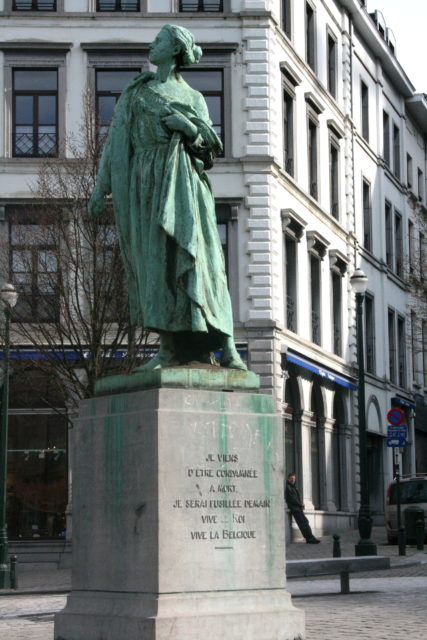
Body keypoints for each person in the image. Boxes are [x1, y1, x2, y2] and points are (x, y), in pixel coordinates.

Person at [88, 24, 245, 371]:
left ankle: (226, 345)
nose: (152, 44)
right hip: (145, 185)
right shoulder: (137, 94)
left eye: (159, 40)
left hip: (185, 183)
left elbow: (210, 152)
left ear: (174, 49)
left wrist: (187, 127)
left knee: (203, 263)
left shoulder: (193, 98)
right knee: (157, 266)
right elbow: (115, 144)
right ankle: (169, 348)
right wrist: (101, 188)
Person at [285, 472, 320, 544]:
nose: (293, 480)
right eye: (291, 479)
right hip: (295, 508)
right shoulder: (288, 487)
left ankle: (310, 537)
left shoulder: (292, 487)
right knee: (303, 523)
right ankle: (309, 538)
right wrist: (300, 504)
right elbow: (292, 499)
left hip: (297, 508)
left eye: (294, 479)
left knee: (305, 522)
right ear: (288, 479)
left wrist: (300, 505)